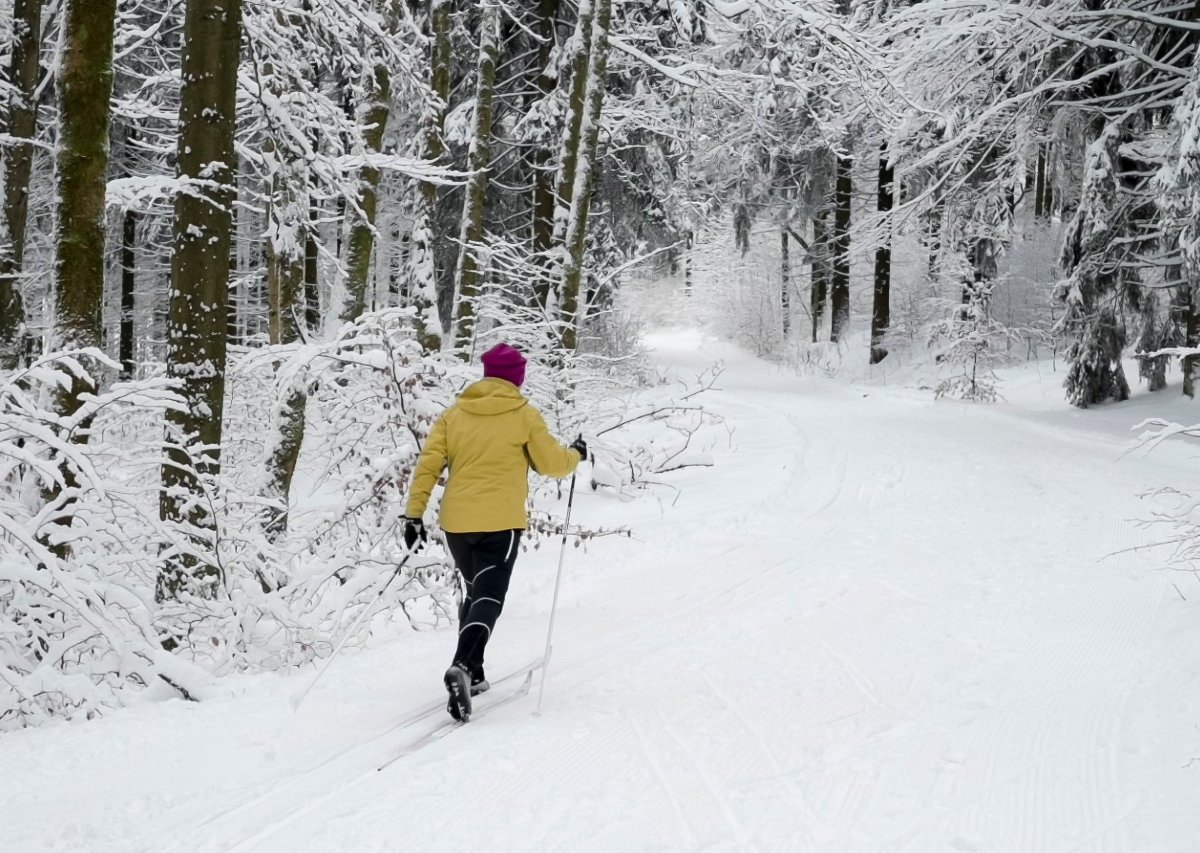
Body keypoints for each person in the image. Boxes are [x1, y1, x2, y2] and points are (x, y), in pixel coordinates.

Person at [403, 342, 586, 721]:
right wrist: (576, 454)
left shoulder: (454, 415)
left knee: (475, 591)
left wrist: (413, 515)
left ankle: (477, 670)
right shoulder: (524, 415)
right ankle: (463, 667)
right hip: (500, 523)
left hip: (457, 524)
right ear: (517, 378)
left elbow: (427, 466)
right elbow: (551, 464)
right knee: (490, 595)